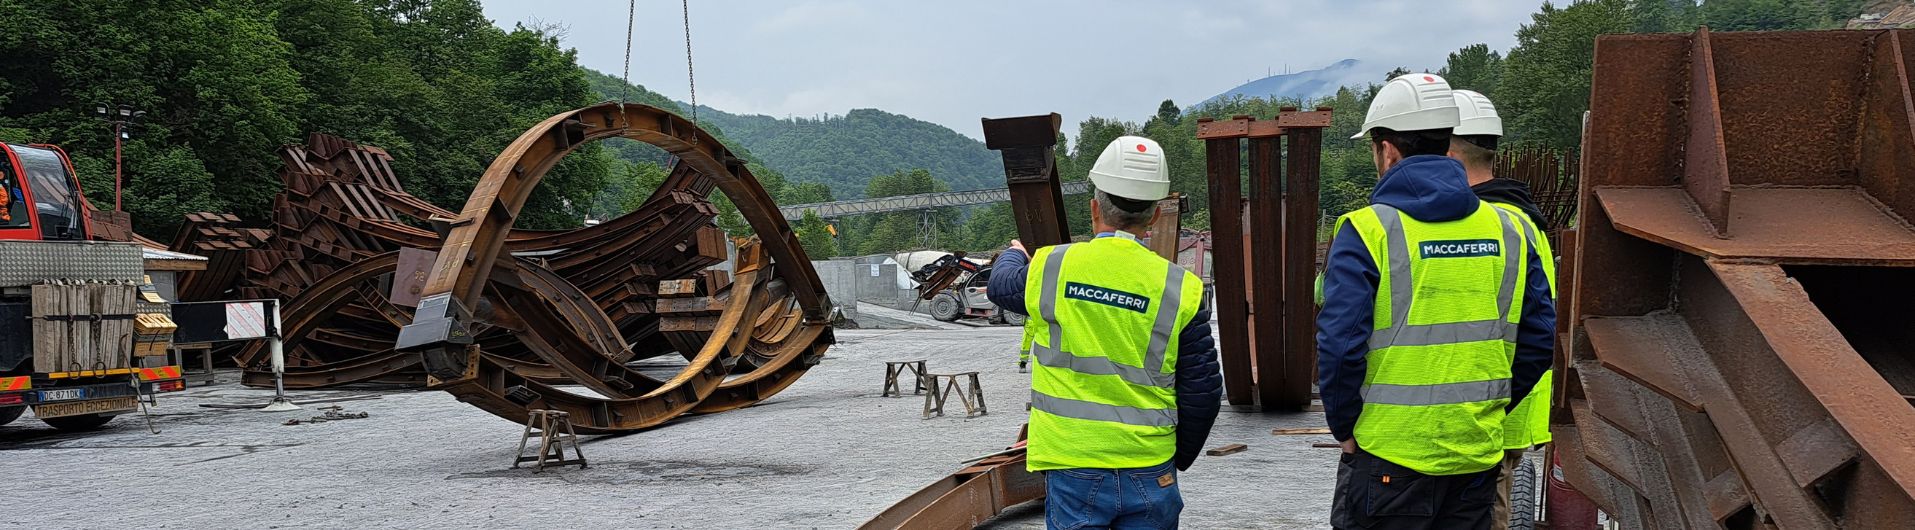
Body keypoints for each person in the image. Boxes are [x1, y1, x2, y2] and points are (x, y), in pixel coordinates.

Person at [1317, 74, 1555, 529]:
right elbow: (1538, 340)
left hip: (1388, 456)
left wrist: (1344, 427)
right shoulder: (1512, 229)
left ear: (1387, 149)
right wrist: (1487, 409)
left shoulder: (1367, 230)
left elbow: (1341, 343)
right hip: (1474, 456)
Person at [987, 136, 1222, 529]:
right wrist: (1173, 456)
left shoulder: (1052, 267)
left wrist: (1015, 253)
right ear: (1154, 216)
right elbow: (1203, 391)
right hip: (1149, 465)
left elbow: (1000, 285)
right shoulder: (1180, 287)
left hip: (1073, 462)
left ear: (1095, 207)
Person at [1448, 89, 1558, 530]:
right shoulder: (1522, 220)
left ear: (1449, 152)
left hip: (1486, 416)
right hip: (1506, 409)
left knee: (1488, 514)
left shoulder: (1492, 225)